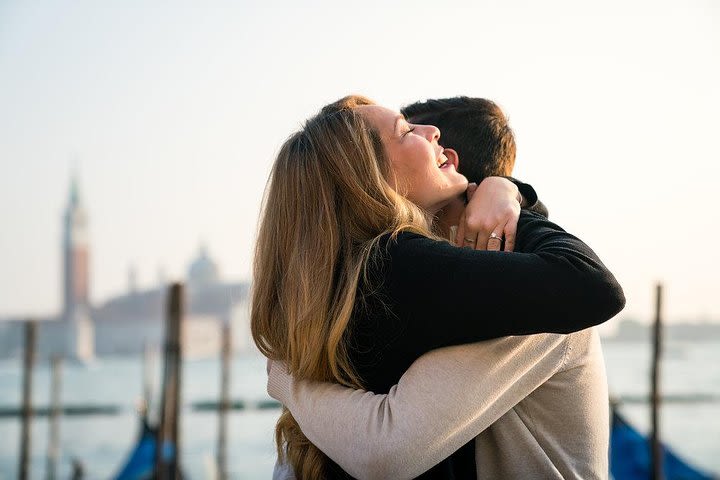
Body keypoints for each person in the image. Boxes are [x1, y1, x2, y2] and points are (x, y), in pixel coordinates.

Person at [252, 95, 624, 479]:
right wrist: (511, 193)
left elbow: (383, 447)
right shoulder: (404, 271)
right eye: (407, 132)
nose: (434, 137)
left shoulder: (341, 293)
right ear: (370, 178)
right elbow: (387, 449)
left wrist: (286, 378)